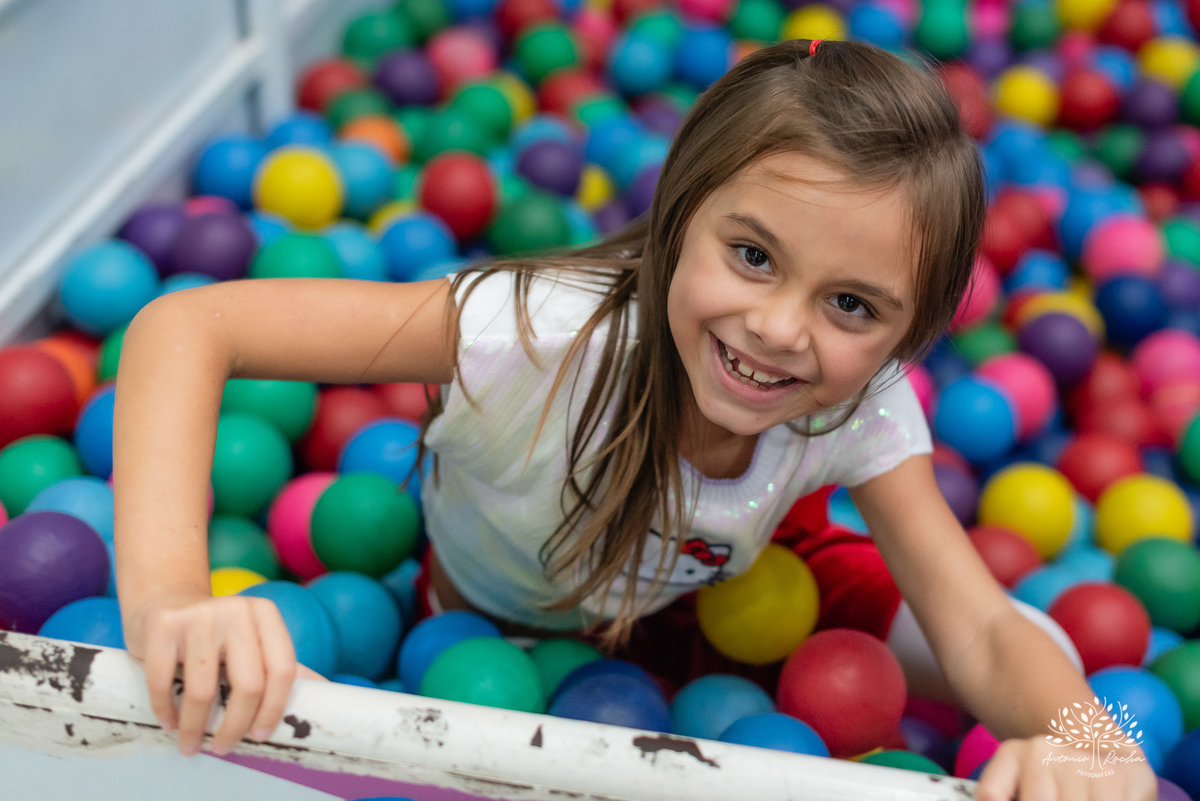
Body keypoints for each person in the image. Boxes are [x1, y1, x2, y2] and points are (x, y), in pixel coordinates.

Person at [113, 38, 1155, 800]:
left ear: (906, 336)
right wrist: (167, 600)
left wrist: (1097, 760)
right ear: (678, 213)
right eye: (752, 254)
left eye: (852, 306)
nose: (780, 329)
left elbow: (975, 625)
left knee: (1044, 647)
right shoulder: (538, 334)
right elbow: (187, 326)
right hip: (496, 622)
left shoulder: (863, 407)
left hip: (723, 585)